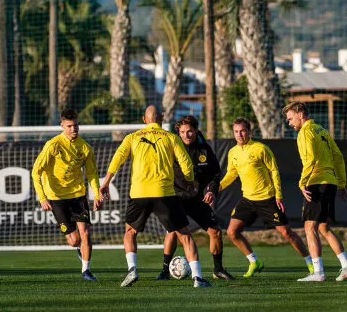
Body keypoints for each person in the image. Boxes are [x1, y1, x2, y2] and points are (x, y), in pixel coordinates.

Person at [100, 105, 212, 288]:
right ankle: (198, 278)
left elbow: (117, 159)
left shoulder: (132, 138)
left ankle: (132, 269)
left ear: (145, 120)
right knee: (184, 235)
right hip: (165, 193)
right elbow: (186, 164)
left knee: (130, 232)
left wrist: (105, 183)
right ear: (162, 118)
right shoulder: (171, 138)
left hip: (139, 193)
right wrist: (191, 181)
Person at [219, 117, 314, 278]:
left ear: (249, 131)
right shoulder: (233, 152)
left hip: (268, 199)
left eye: (242, 131)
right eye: (236, 132)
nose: (240, 134)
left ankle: (311, 263)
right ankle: (254, 261)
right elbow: (231, 174)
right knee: (232, 232)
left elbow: (274, 171)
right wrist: (218, 188)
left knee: (286, 233)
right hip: (248, 200)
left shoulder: (260, 149)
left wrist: (278, 195)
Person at [283, 101, 347, 282]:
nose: (289, 123)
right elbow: (338, 157)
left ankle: (318, 272)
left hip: (317, 183)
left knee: (309, 227)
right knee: (323, 227)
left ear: (301, 114)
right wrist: (340, 183)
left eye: (291, 118)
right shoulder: (321, 130)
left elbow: (311, 160)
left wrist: (302, 182)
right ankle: (346, 267)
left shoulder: (305, 133)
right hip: (329, 182)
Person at [156, 115, 234, 281]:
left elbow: (215, 173)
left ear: (196, 130)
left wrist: (211, 190)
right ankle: (164, 271)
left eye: (189, 131)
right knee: (172, 232)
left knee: (216, 233)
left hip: (197, 199)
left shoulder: (204, 149)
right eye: (182, 132)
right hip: (176, 198)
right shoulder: (172, 147)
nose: (186, 135)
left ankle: (218, 269)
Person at [31, 108, 102, 281]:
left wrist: (97, 195)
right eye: (69, 126)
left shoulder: (85, 148)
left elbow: (92, 173)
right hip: (57, 198)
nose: (73, 129)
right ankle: (78, 248)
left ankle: (86, 270)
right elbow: (36, 172)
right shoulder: (53, 145)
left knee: (85, 233)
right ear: (62, 125)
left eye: (76, 125)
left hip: (78, 195)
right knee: (74, 240)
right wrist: (42, 197)